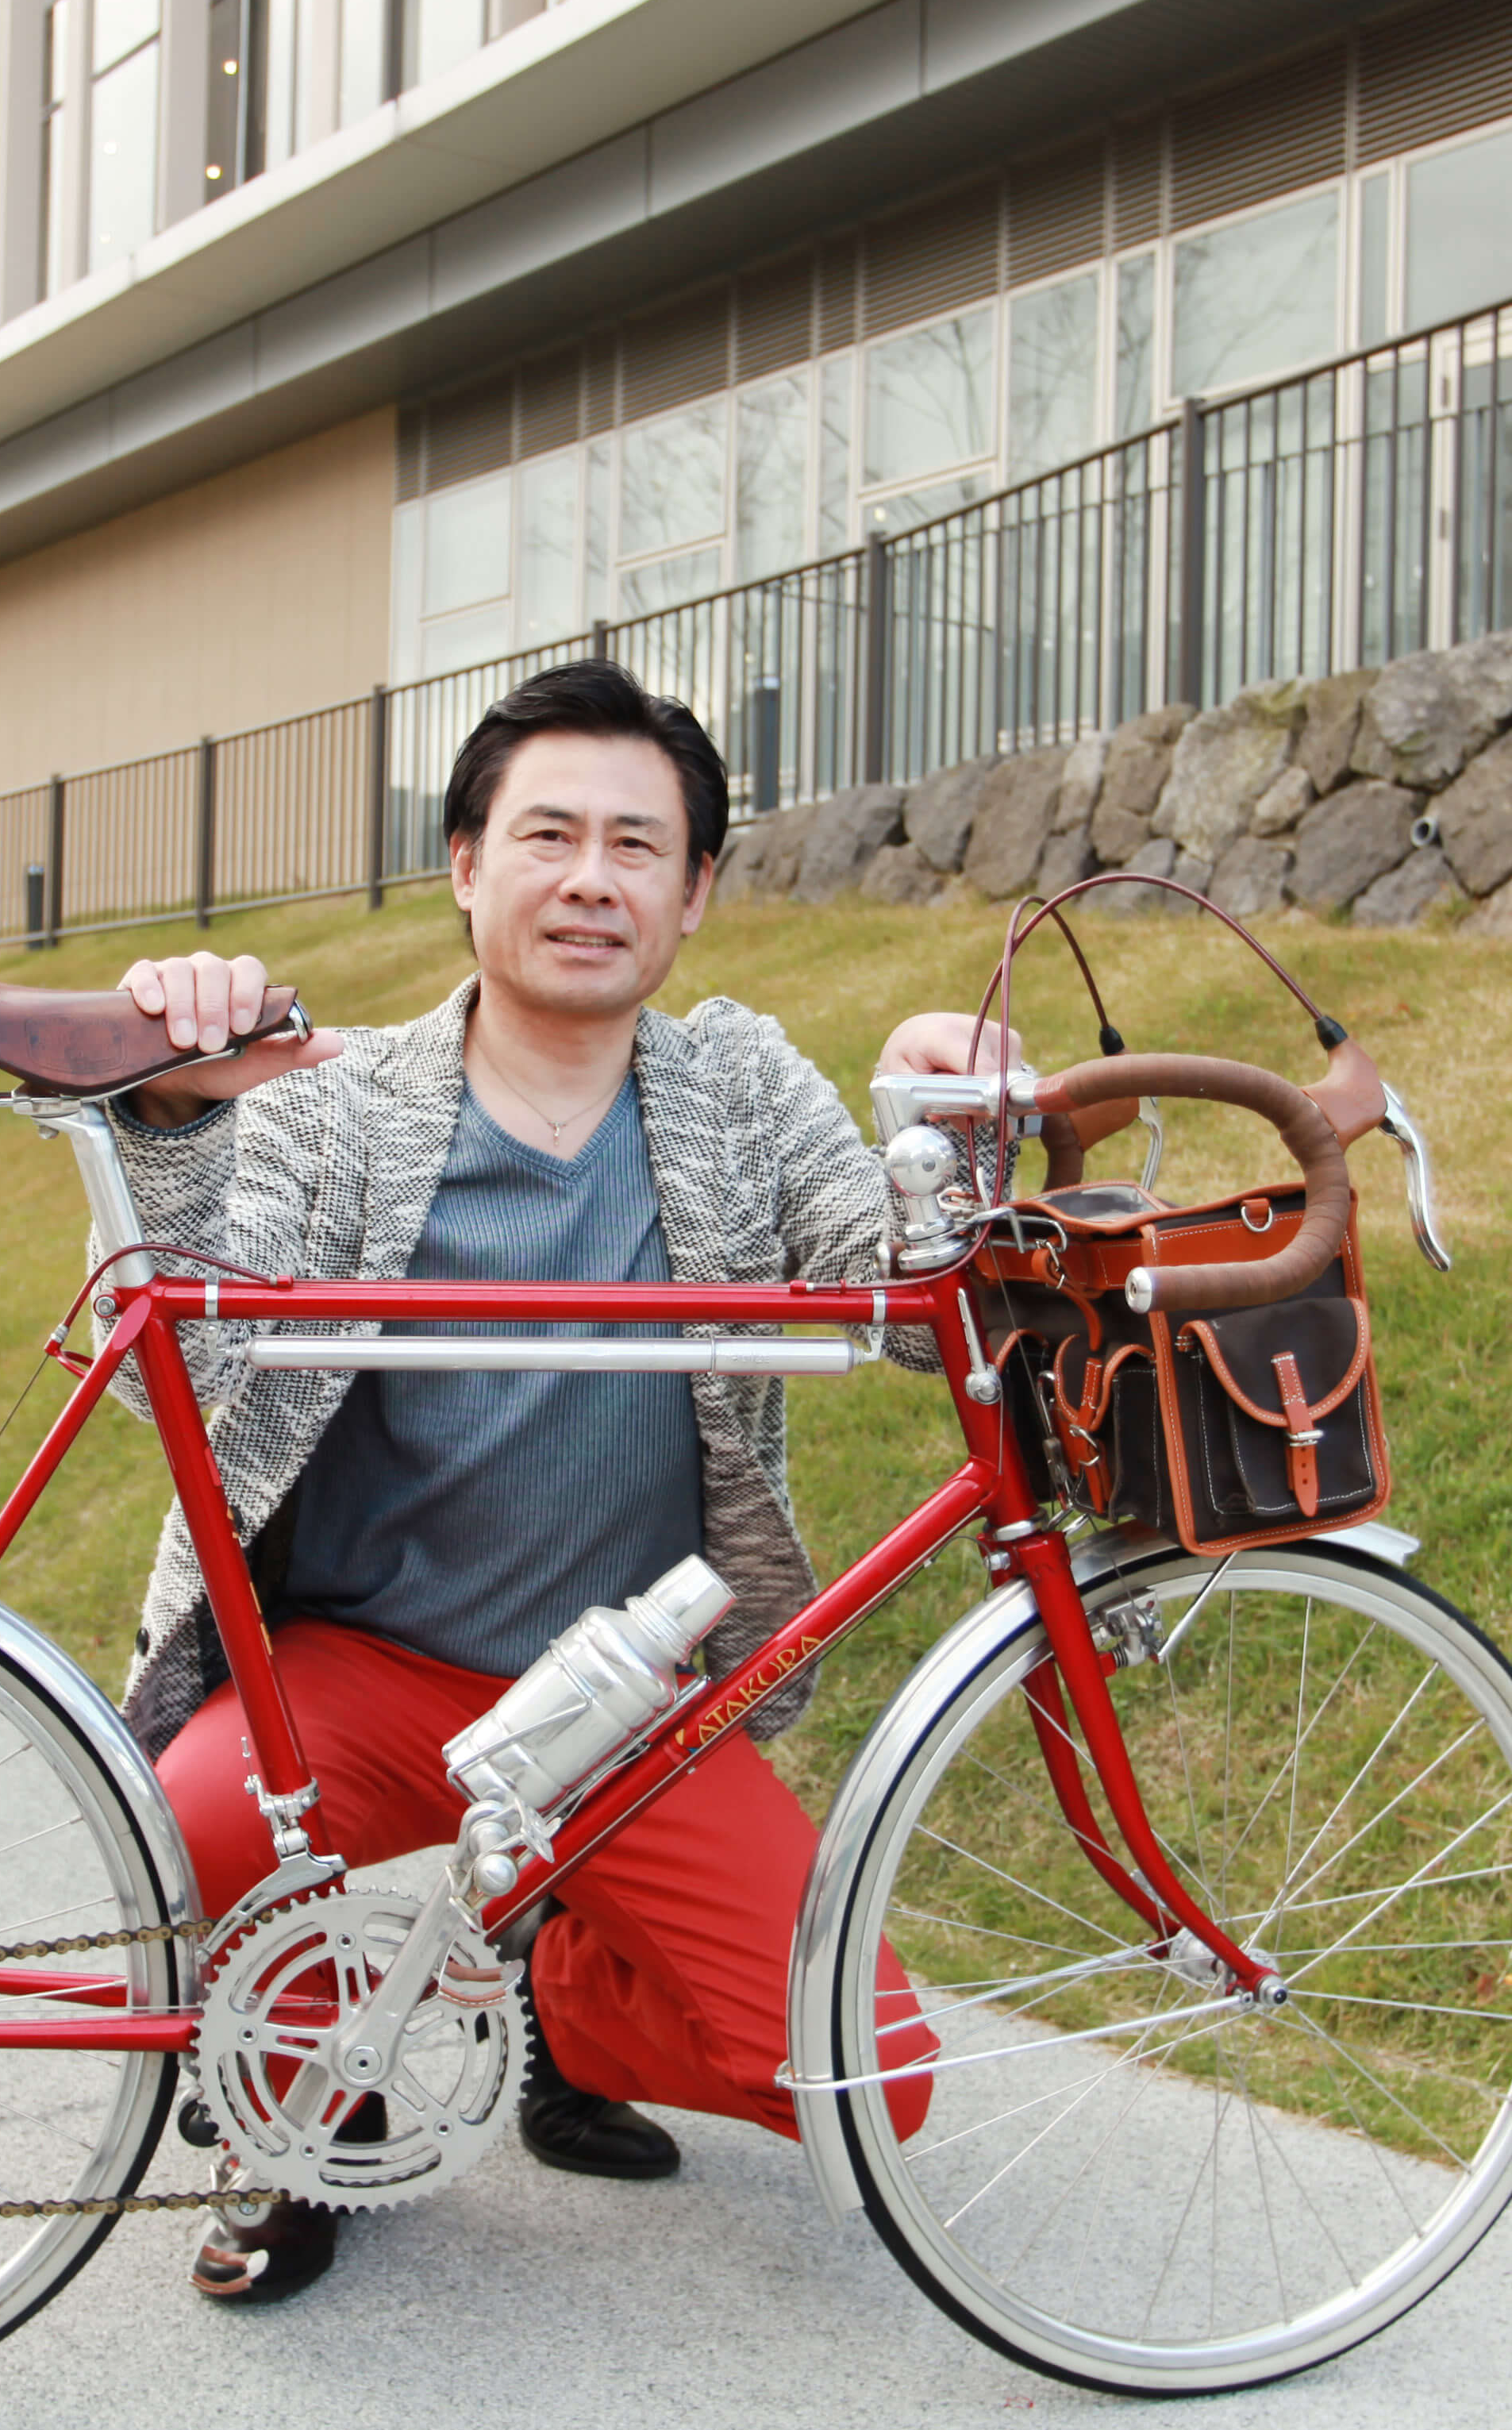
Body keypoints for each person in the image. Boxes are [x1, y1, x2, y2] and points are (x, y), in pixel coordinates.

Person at [102, 660, 998, 2304]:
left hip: (618, 1698)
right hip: (356, 1672)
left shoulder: (736, 1089)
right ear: (465, 865)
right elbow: (200, 1368)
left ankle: (573, 2009)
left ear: (697, 890)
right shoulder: (343, 1105)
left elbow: (927, 1320)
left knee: (875, 2073)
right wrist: (169, 1115)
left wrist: (957, 1120)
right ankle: (310, 2103)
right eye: (550, 835)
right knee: (180, 1835)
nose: (593, 879)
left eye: (639, 846)